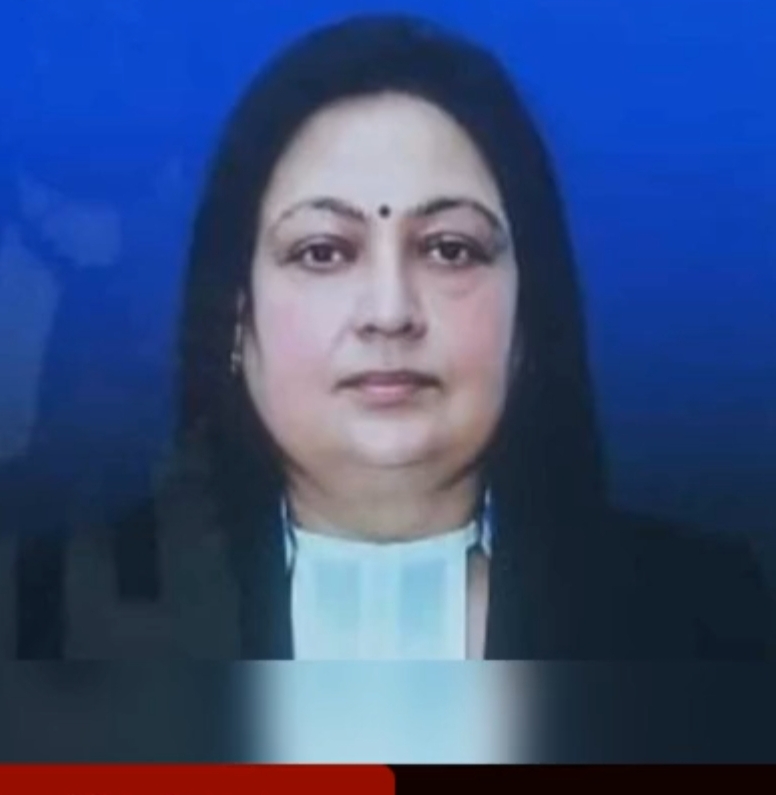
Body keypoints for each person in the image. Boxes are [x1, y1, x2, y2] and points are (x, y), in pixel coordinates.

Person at [11, 13, 776, 660]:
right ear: (235, 318)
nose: (389, 311)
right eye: (323, 251)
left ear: (530, 313)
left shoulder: (699, 615)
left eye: (450, 249)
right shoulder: (51, 617)